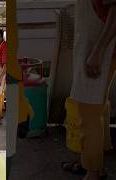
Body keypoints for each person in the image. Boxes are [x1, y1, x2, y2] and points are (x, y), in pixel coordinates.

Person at [62, 1, 116, 180]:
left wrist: (99, 51)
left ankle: (93, 172)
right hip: (90, 47)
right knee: (95, 108)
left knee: (89, 113)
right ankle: (93, 164)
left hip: (100, 49)